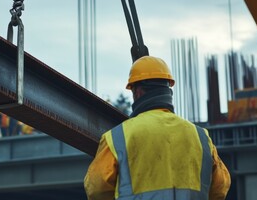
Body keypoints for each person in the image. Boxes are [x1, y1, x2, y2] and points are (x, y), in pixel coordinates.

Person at [84, 56, 231, 200]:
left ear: (138, 92)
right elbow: (220, 187)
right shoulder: (201, 137)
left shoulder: (117, 137)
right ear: (168, 90)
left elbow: (96, 188)